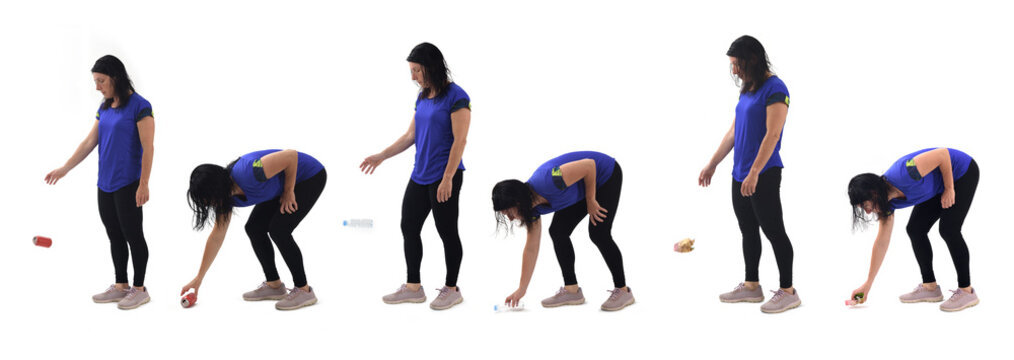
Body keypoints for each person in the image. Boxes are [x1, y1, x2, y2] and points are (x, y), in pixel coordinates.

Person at [361, 42, 470, 310]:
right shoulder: (423, 96)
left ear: (430, 67)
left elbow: (460, 141)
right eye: (411, 71)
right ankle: (413, 287)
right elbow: (411, 135)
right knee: (408, 227)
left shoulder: (457, 97)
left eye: (416, 71)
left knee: (447, 232)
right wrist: (381, 155)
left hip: (444, 176)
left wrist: (447, 178)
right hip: (419, 174)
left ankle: (452, 289)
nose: (412, 76)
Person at [698, 35, 800, 313]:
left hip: (763, 173)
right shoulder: (748, 88)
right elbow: (733, 131)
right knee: (748, 230)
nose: (734, 70)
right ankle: (752, 286)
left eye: (737, 64)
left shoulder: (775, 88)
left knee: (774, 231)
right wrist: (713, 163)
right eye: (731, 65)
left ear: (752, 59)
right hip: (740, 173)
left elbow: (773, 134)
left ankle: (788, 291)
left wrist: (755, 171)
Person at [45, 55, 155, 310]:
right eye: (95, 81)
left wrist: (144, 183)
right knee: (114, 235)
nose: (97, 86)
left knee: (133, 235)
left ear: (115, 77)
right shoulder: (105, 106)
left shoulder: (141, 106)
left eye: (101, 81)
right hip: (104, 183)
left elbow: (148, 148)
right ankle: (120, 286)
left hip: (128, 183)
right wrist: (65, 168)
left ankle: (139, 289)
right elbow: (88, 142)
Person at [181, 149, 326, 311]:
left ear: (217, 189)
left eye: (209, 200)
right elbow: (217, 237)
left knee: (279, 230)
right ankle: (274, 285)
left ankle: (304, 290)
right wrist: (199, 278)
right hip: (278, 185)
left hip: (308, 176)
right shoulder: (225, 199)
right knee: (254, 228)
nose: (209, 205)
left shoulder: (251, 171)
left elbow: (291, 156)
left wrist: (288, 191)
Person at [493, 151, 634, 311]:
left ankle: (623, 290)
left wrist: (590, 201)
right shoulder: (532, 210)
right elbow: (531, 248)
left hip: (604, 175)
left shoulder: (550, 180)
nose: (511, 219)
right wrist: (521, 289)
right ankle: (572, 290)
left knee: (598, 233)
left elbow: (589, 165)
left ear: (518, 202)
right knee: (558, 231)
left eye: (509, 213)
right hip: (578, 186)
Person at [848, 148, 979, 312]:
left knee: (948, 229)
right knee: (915, 229)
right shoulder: (887, 205)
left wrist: (949, 188)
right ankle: (930, 287)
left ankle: (967, 291)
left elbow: (942, 154)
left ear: (874, 193)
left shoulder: (906, 172)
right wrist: (868, 284)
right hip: (937, 186)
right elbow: (881, 242)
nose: (867, 211)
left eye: (866, 205)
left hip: (961, 172)